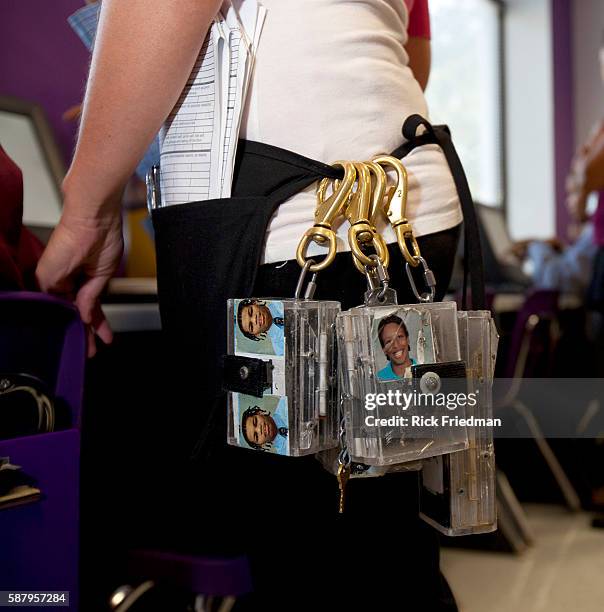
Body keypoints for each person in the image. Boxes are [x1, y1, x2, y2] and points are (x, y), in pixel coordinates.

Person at [36, 1, 468, 609]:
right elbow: (410, 57)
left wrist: (87, 207)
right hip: (403, 215)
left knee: (317, 558)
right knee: (380, 540)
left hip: (298, 226)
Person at [377, 315, 416, 380]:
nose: (396, 345)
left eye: (400, 337)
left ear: (407, 339)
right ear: (384, 349)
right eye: (389, 341)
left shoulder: (425, 372)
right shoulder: (378, 380)